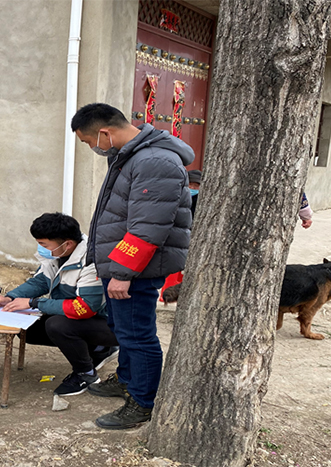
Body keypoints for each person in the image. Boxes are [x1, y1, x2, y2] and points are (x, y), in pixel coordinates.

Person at [71, 103, 193, 430]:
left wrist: (123, 273)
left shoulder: (155, 161)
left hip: (138, 269)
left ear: (105, 133)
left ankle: (142, 402)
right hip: (123, 263)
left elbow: (148, 226)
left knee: (137, 335)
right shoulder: (130, 155)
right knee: (124, 329)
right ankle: (126, 379)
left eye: (88, 142)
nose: (92, 148)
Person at [0, 213, 119, 396]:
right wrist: (10, 297)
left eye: (44, 245)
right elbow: (41, 281)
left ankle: (86, 374)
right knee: (28, 329)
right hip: (86, 319)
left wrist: (34, 303)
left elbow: (85, 308)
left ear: (68, 244)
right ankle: (99, 349)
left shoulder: (91, 262)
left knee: (57, 325)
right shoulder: (58, 254)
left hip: (110, 325)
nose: (41, 249)